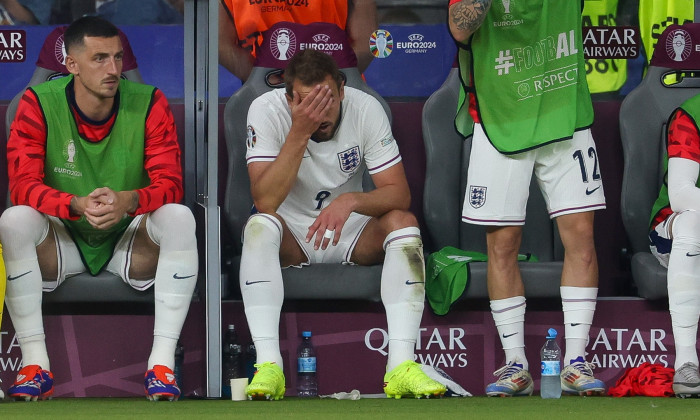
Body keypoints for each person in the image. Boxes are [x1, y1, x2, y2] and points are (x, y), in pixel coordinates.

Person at [0, 16, 197, 402]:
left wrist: (129, 200)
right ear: (71, 64)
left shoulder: (150, 101)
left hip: (128, 237)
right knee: (14, 219)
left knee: (180, 216)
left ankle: (161, 367)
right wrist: (72, 204)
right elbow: (22, 186)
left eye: (119, 58)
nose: (113, 70)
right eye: (100, 58)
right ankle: (35, 366)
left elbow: (171, 183)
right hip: (62, 237)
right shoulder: (36, 102)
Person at [240, 48, 445, 400]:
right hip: (291, 233)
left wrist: (350, 201)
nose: (319, 111)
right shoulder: (266, 110)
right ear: (289, 98)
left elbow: (399, 193)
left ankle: (401, 365)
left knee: (403, 223)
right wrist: (299, 130)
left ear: (342, 89)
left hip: (349, 228)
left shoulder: (366, 108)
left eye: (328, 99)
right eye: (306, 102)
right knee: (259, 225)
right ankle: (269, 366)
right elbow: (266, 200)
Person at [448, 1, 606, 397]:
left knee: (581, 238)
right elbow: (459, 29)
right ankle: (515, 364)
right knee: (502, 245)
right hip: (501, 117)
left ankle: (575, 361)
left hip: (562, 110)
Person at [648, 95, 700, 397]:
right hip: (675, 231)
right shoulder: (691, 114)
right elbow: (681, 195)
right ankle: (686, 362)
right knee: (693, 223)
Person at [218, 0, 377, 81]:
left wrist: (327, 85)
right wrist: (265, 82)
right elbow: (221, 45)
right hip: (264, 93)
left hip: (338, 91)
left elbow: (368, 43)